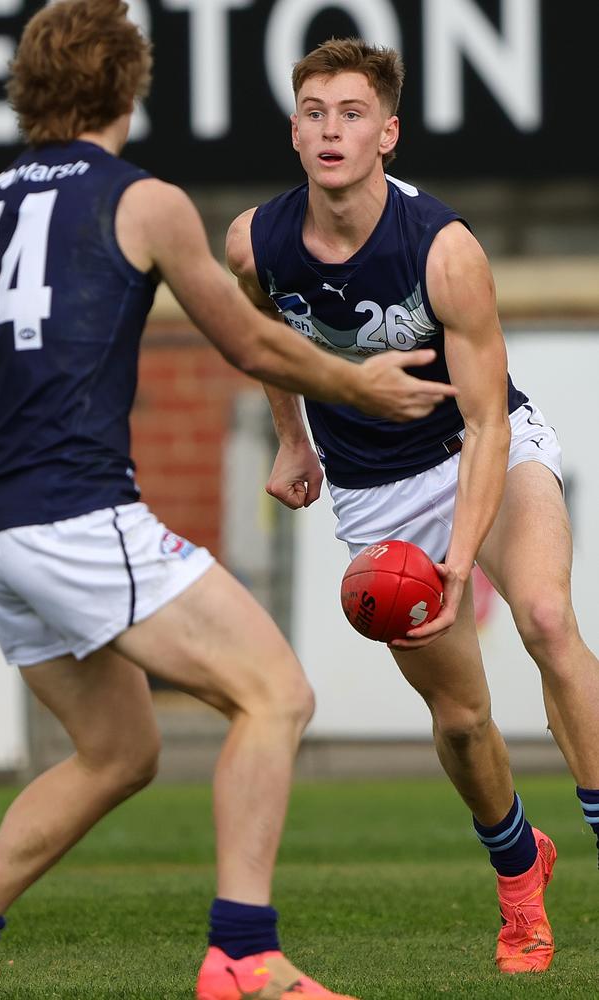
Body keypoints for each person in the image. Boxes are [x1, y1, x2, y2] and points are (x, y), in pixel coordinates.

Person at [0, 6, 461, 999]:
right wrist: (361, 384)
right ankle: (241, 955)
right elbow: (249, 341)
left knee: (118, 749)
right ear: (127, 90)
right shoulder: (141, 200)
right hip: (76, 514)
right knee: (277, 691)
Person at [227, 36, 599, 976]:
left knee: (550, 620)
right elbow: (265, 338)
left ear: (387, 133)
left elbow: (485, 424)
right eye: (314, 112)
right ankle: (521, 876)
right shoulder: (254, 241)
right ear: (295, 132)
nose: (331, 130)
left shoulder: (445, 250)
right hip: (373, 494)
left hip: (479, 452)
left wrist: (462, 559)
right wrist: (292, 437)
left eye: (352, 114)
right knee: (464, 721)